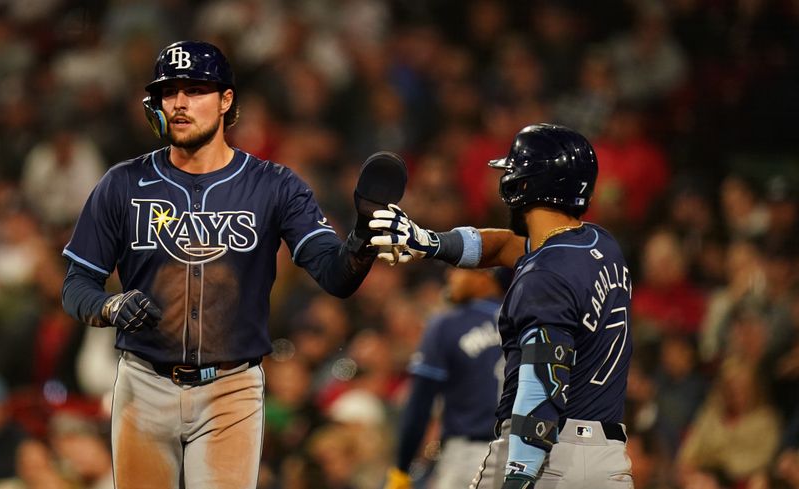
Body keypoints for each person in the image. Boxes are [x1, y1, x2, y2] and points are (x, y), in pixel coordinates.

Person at [60, 40, 403, 489]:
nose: (180, 103)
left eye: (196, 89)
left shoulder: (273, 185)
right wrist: (108, 306)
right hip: (142, 383)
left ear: (226, 101)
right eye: (170, 92)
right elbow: (76, 285)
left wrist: (362, 236)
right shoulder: (122, 184)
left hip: (231, 388)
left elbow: (335, 276)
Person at [370, 123, 634, 488]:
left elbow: (543, 382)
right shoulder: (601, 245)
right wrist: (429, 241)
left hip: (546, 457)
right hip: (607, 462)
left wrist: (519, 474)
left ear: (525, 184)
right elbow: (504, 247)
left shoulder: (543, 276)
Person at [384, 267, 510, 489]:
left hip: (467, 457)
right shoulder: (527, 321)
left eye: (461, 269)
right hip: (525, 457)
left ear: (486, 276)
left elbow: (420, 404)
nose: (450, 275)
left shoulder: (448, 324)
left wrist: (402, 467)